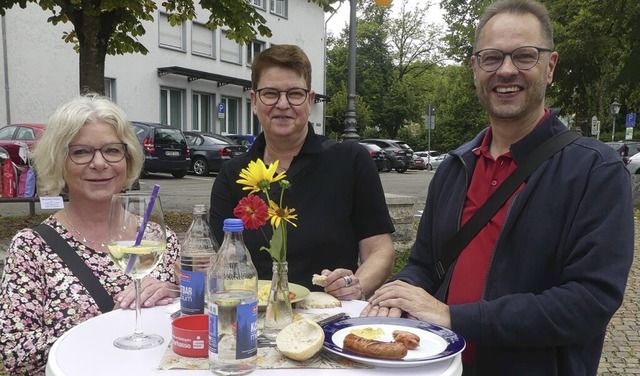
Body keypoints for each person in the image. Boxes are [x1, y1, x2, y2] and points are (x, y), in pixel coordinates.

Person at [362, 1, 634, 375]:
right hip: (442, 366)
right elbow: (426, 265)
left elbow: (589, 301)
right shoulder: (456, 167)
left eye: (524, 56)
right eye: (491, 58)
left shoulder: (594, 170)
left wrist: (453, 316)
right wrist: (396, 292)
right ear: (476, 69)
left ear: (550, 66)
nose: (506, 70)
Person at [0, 94, 180, 375]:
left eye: (112, 150)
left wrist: (176, 295)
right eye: (81, 152)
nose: (99, 163)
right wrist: (110, 332)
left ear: (128, 158)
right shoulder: (31, 248)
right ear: (59, 161)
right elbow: (15, 353)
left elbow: (185, 326)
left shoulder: (158, 238)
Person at [210, 44, 395, 301]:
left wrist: (357, 284)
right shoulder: (233, 174)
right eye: (270, 93)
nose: (283, 104)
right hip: (252, 317)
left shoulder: (350, 161)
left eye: (295, 94)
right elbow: (215, 259)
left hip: (330, 314)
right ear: (254, 100)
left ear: (310, 100)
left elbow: (379, 249)